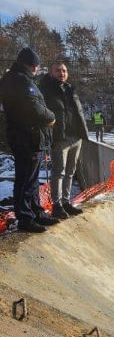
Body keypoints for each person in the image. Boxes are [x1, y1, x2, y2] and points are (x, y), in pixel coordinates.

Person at [0, 47, 59, 233]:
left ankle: (36, 211)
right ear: (30, 65)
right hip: (27, 137)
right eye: (35, 66)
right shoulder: (20, 81)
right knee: (26, 179)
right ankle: (26, 218)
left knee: (31, 179)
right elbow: (34, 108)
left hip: (29, 137)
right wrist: (51, 116)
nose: (36, 69)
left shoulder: (16, 79)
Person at [39, 61, 88, 219]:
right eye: (58, 70)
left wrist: (83, 132)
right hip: (60, 138)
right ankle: (57, 205)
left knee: (70, 172)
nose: (62, 73)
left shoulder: (70, 89)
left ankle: (66, 202)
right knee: (58, 172)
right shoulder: (46, 90)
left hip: (76, 137)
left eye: (64, 70)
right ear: (51, 72)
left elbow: (78, 112)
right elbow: (42, 114)